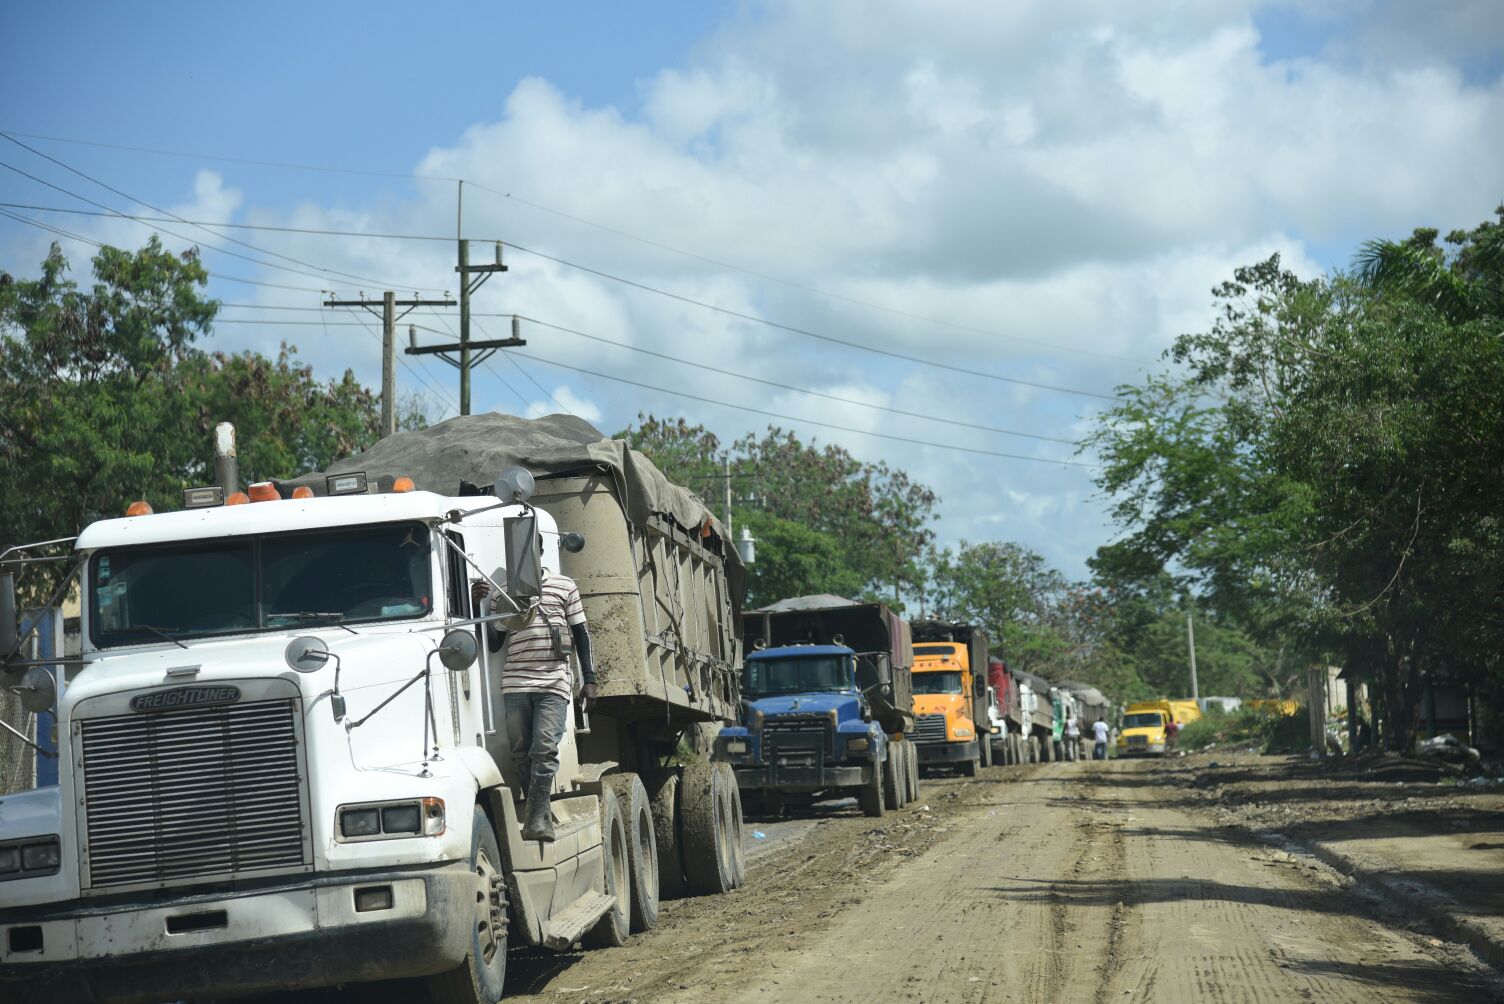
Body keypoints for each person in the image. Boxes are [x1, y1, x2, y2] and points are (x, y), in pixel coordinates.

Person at [472, 560, 597, 842]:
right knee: (521, 751)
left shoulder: (565, 586)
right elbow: (494, 643)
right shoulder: (501, 593)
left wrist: (589, 680)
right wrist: (476, 604)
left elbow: (581, 634)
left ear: (538, 552)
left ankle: (535, 820)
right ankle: (537, 816)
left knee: (544, 750)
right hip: (515, 683)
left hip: (554, 682)